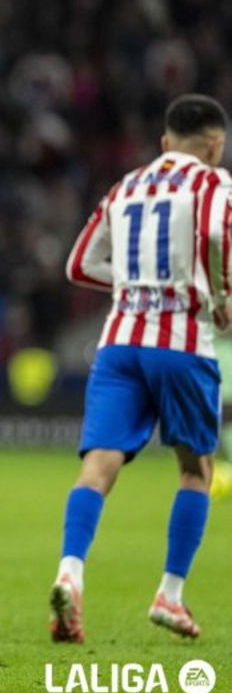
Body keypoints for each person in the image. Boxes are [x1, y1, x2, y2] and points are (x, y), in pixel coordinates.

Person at [50, 93, 232, 643]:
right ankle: (170, 596)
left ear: (164, 142)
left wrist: (135, 283)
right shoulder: (212, 183)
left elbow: (79, 264)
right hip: (180, 341)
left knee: (99, 465)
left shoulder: (124, 186)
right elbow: (219, 236)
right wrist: (219, 293)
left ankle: (69, 571)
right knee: (196, 470)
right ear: (215, 143)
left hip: (118, 345)